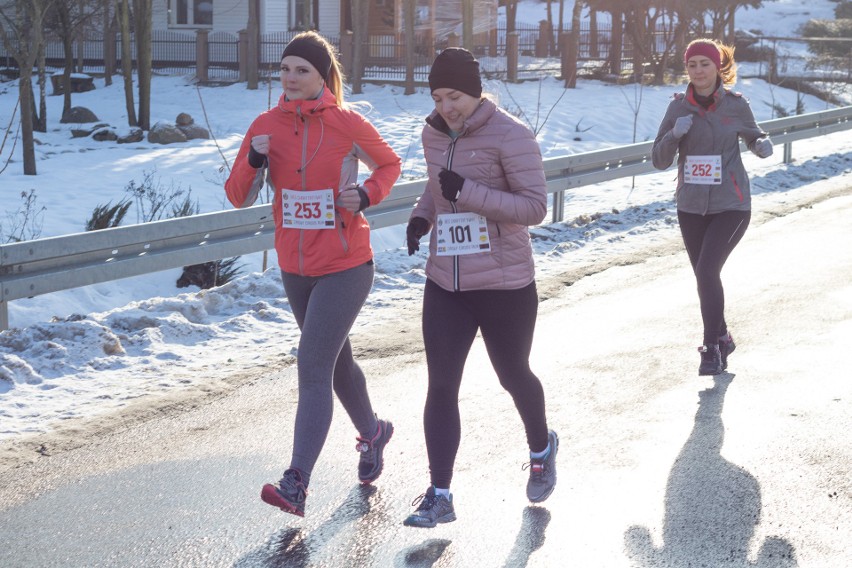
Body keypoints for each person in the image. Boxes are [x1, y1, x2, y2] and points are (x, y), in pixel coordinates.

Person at [224, 31, 401, 517]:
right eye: (284, 69)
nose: (291, 78)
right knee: (335, 362)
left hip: (346, 264)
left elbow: (389, 164)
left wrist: (366, 194)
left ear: (322, 76)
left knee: (313, 364)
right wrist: (256, 160)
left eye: (302, 70)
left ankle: (297, 480)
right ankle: (374, 432)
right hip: (294, 267)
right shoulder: (265, 125)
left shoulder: (347, 123)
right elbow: (236, 194)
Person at [403, 47, 558, 528]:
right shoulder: (433, 133)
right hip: (445, 280)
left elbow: (535, 208)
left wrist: (466, 193)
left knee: (513, 375)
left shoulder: (512, 135)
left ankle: (541, 445)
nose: (446, 107)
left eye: (454, 96)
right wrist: (421, 216)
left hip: (504, 283)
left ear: (474, 92)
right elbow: (436, 185)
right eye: (437, 96)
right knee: (442, 384)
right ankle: (440, 493)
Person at [652, 39, 773, 376]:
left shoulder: (735, 105)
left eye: (705, 64)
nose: (698, 71)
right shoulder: (677, 108)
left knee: (706, 271)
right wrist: (674, 135)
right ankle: (723, 336)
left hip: (731, 204)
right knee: (704, 275)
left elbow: (754, 135)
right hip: (690, 205)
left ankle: (710, 349)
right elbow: (658, 160)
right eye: (692, 65)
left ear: (718, 67)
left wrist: (760, 144)